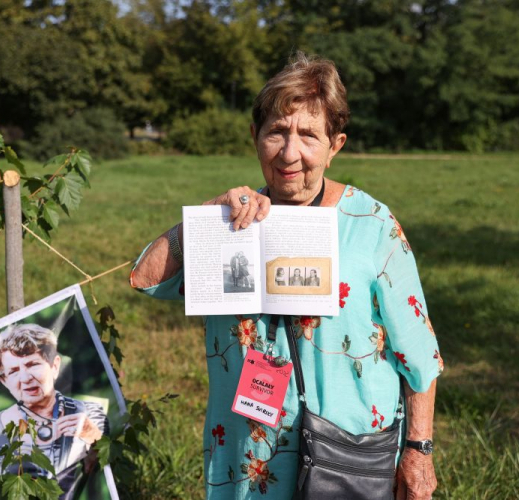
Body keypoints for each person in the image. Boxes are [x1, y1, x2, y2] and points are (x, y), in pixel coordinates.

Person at [129, 52, 442, 500]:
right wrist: (205, 218)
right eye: (276, 131)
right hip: (249, 459)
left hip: (348, 457)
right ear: (255, 136)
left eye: (309, 135)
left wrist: (419, 450)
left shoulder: (371, 224)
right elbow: (144, 278)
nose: (289, 153)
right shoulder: (229, 223)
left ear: (336, 146)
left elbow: (419, 353)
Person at [0, 324, 108, 500]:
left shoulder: (89, 415)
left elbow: (111, 471)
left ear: (54, 366)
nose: (26, 378)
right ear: (3, 380)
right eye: (13, 371)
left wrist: (94, 437)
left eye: (32, 364)